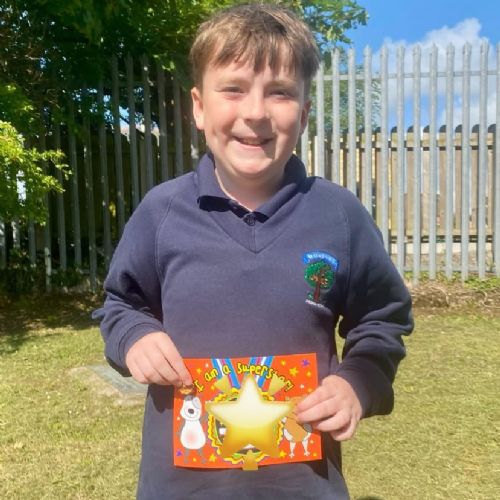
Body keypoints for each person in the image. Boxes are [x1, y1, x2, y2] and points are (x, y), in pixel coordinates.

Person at [94, 3, 413, 499]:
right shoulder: (161, 213)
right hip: (181, 486)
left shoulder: (339, 216)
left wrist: (359, 382)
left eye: (280, 92)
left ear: (303, 113)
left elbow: (382, 317)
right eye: (233, 88)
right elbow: (120, 305)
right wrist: (135, 337)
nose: (256, 112)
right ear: (199, 106)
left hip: (304, 486)